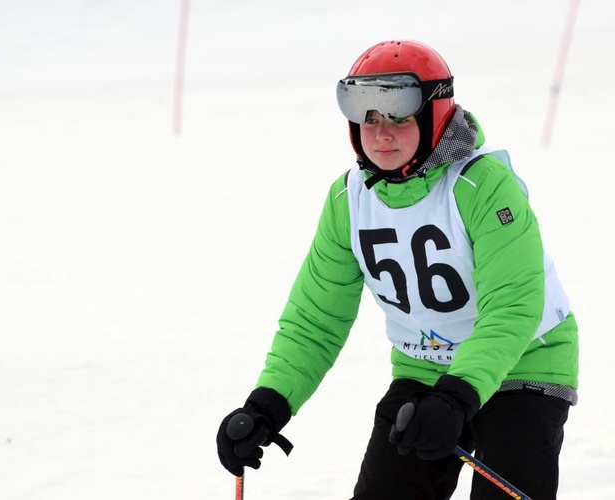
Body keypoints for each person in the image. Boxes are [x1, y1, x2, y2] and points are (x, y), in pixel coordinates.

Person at [216, 39, 579, 500]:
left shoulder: (483, 185)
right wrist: (267, 405)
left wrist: (456, 397)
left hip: (525, 363)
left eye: (399, 116)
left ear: (434, 117)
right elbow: (315, 320)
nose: (381, 133)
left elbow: (512, 306)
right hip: (424, 369)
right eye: (367, 117)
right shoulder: (349, 201)